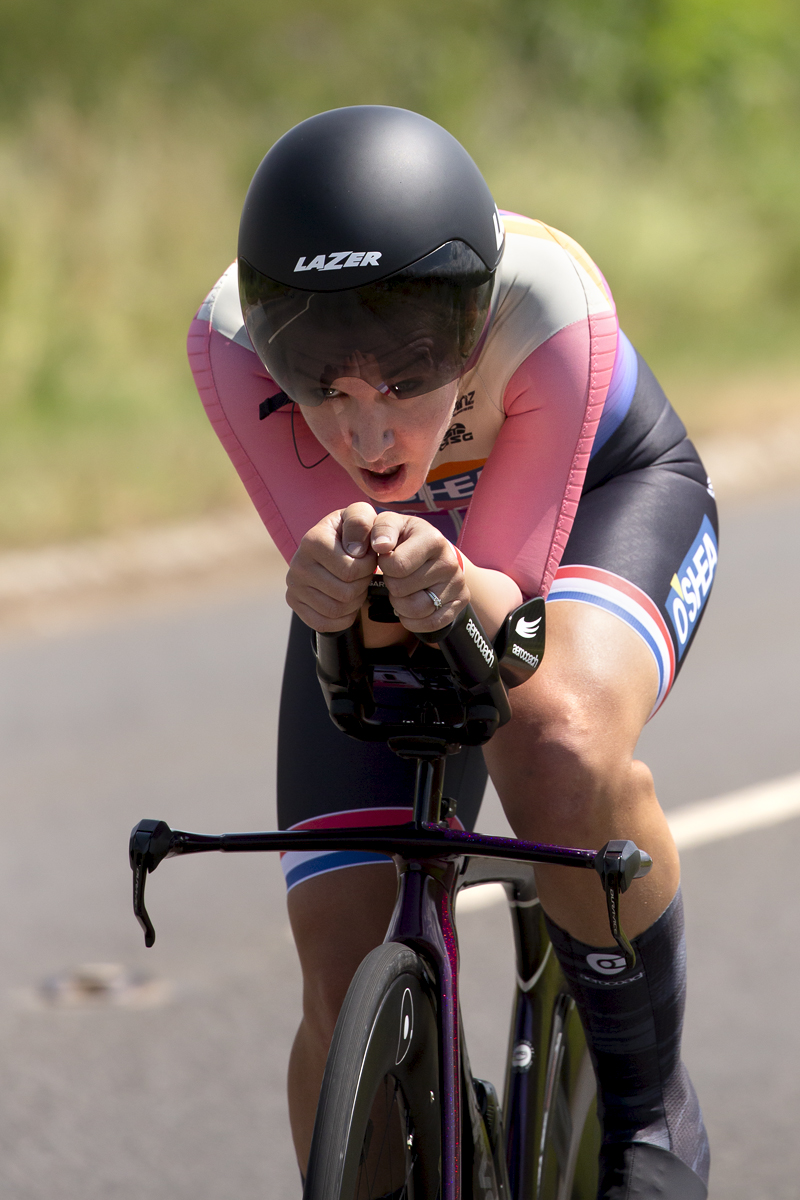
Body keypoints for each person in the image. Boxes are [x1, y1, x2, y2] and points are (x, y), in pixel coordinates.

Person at [188, 105, 716, 1198]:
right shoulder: (228, 339)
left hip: (595, 507)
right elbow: (353, 582)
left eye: (407, 376)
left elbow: (501, 602)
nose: (366, 435)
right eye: (321, 385)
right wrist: (330, 569)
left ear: (470, 323)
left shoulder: (549, 302)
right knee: (337, 972)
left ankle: (647, 1104)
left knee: (554, 739)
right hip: (404, 563)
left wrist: (434, 578)